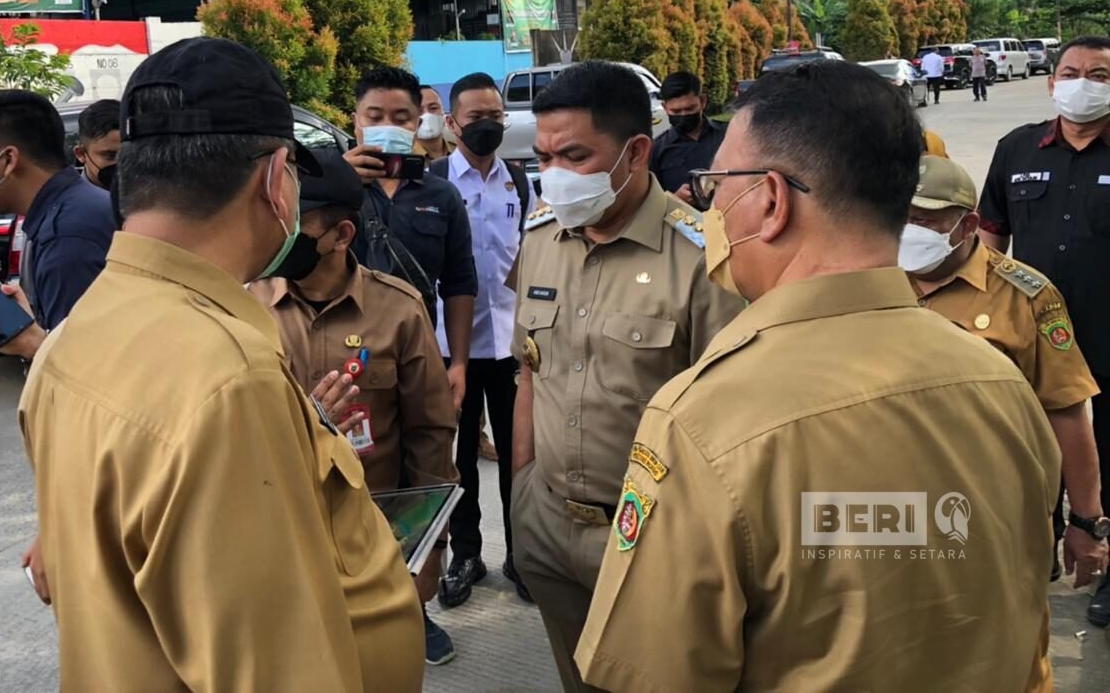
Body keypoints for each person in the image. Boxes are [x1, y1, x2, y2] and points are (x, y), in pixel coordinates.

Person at [575, 61, 1061, 693]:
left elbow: (654, 674)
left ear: (771, 201)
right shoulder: (1001, 384)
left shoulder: (702, 421)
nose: (711, 206)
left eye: (719, 184)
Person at [18, 37, 424, 691]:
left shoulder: (72, 337)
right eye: (295, 172)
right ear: (274, 181)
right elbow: (273, 669)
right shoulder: (227, 376)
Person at [510, 60, 743, 693]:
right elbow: (529, 376)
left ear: (636, 152)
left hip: (653, 534)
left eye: (575, 156)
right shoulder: (538, 241)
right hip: (548, 522)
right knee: (578, 678)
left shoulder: (704, 261)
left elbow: (732, 421)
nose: (553, 176)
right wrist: (521, 490)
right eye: (543, 156)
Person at [251, 148, 459, 667]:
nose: (282, 236)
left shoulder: (399, 311)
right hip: (280, 532)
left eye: (298, 225)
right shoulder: (245, 306)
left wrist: (430, 549)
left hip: (376, 535)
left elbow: (431, 436)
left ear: (342, 236)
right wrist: (308, 421)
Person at [903, 154, 1105, 586]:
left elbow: (1066, 409)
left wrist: (1087, 520)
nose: (908, 233)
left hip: (998, 505)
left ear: (969, 225)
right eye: (899, 217)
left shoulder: (1026, 295)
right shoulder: (873, 280)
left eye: (925, 221)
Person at [979, 36, 1110, 627]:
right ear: (1053, 81)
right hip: (1030, 346)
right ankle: (1041, 554)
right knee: (1031, 461)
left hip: (1106, 342)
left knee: (1106, 460)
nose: (1084, 82)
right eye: (1073, 71)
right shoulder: (1016, 148)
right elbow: (989, 238)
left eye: (1100, 74)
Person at [429, 72, 533, 609]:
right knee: (463, 456)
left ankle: (522, 555)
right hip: (455, 349)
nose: (488, 125)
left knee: (519, 457)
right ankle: (468, 552)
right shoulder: (436, 181)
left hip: (513, 346)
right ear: (452, 123)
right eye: (476, 118)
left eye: (496, 116)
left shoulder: (520, 179)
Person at [344, 66, 476, 411]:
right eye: (375, 117)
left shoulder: (443, 195)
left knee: (426, 455)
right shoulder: (327, 189)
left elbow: (459, 282)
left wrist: (458, 362)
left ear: (417, 124)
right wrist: (338, 185)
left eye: (401, 118)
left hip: (419, 353)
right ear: (356, 120)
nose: (387, 126)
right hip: (344, 358)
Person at [0, 90, 115, 359]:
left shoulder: (67, 235)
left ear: (8, 160)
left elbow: (85, 365)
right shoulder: (73, 207)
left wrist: (31, 345)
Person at [648, 71, 726, 199]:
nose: (683, 115)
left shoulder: (728, 135)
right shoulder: (657, 150)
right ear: (665, 108)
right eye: (676, 111)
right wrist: (675, 200)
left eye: (690, 109)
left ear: (702, 101)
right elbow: (653, 202)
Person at [74, 98, 121, 189]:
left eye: (130, 154)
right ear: (81, 154)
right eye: (111, 155)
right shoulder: (70, 201)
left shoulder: (150, 194)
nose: (122, 163)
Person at [415, 86, 452, 164]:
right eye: (419, 111)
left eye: (433, 108)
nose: (427, 115)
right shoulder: (404, 157)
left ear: (443, 112)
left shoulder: (461, 150)